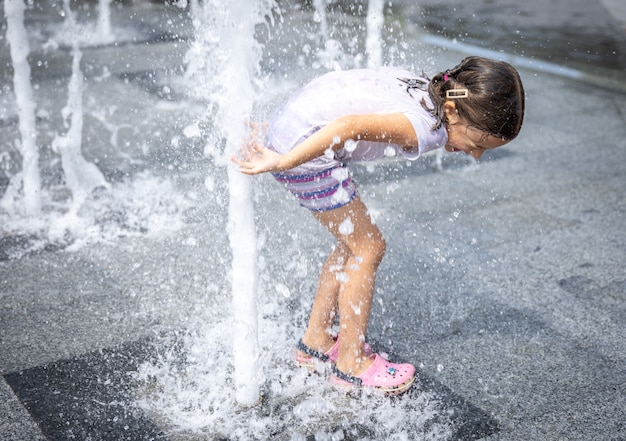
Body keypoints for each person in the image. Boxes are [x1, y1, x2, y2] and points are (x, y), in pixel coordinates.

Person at [232, 56, 525, 395]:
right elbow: (345, 126)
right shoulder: (424, 127)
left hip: (297, 131)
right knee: (369, 247)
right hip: (305, 153)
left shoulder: (422, 87)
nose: (475, 155)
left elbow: (342, 92)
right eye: (478, 145)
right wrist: (281, 158)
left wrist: (280, 131)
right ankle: (351, 363)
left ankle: (316, 342)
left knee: (353, 244)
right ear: (454, 111)